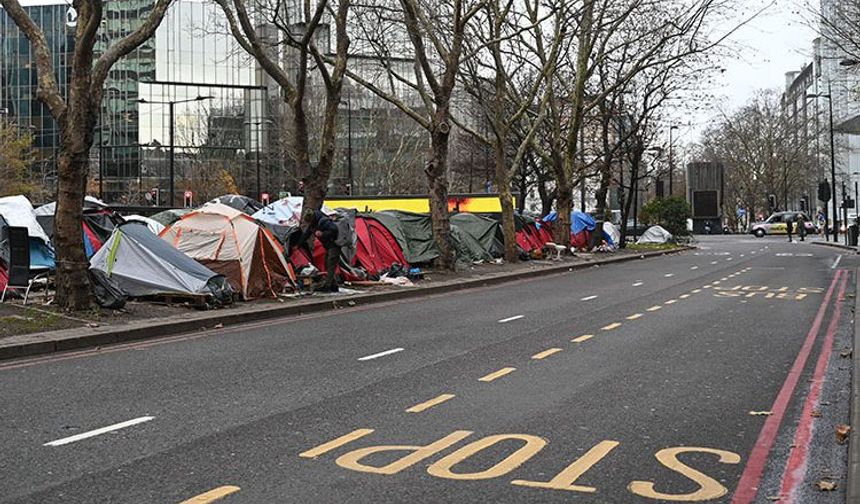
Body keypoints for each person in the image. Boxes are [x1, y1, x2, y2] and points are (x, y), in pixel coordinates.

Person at [299, 208, 341, 292]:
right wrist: (298, 244)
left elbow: (334, 230)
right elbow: (307, 234)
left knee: (330, 264)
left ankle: (328, 286)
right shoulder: (314, 223)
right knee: (328, 264)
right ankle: (333, 285)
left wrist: (323, 234)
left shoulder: (324, 222)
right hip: (329, 246)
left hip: (334, 245)